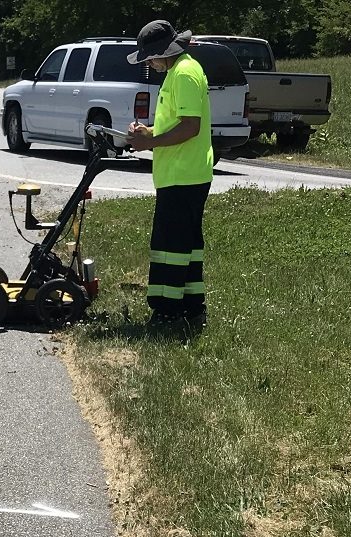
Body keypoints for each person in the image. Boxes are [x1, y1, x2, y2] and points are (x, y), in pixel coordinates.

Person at [125, 20, 213, 326]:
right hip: (180, 174)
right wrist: (148, 132)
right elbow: (175, 124)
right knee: (185, 246)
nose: (150, 63)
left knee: (170, 247)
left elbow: (191, 126)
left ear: (165, 52)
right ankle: (192, 307)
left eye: (151, 57)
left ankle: (168, 311)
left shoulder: (185, 74)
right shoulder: (177, 72)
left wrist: (150, 142)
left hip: (184, 175)